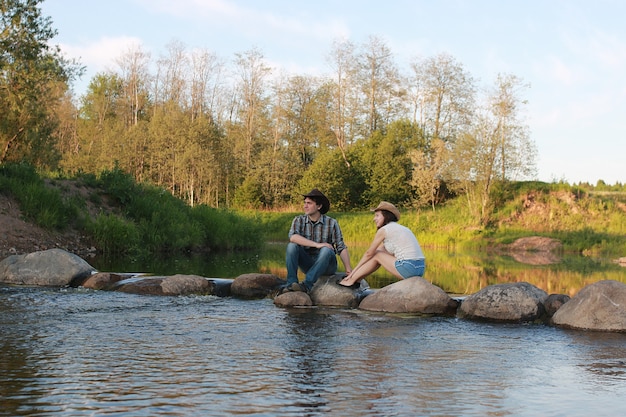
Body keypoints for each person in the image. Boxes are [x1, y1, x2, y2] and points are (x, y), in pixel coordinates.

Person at [338, 201, 425, 288]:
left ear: (386, 216)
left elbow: (369, 253)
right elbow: (378, 250)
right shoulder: (400, 228)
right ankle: (357, 279)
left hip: (409, 268)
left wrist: (352, 272)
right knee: (378, 252)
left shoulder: (384, 230)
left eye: (377, 215)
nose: (374, 219)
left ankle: (351, 281)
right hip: (420, 268)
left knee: (377, 255)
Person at [282, 188, 352, 293]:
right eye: (305, 203)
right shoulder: (298, 220)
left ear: (319, 206)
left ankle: (307, 285)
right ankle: (291, 284)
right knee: (292, 246)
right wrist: (316, 244)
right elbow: (293, 237)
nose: (305, 206)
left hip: (327, 265)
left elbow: (341, 247)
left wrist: (348, 270)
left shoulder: (331, 223)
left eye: (309, 203)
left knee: (326, 249)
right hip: (307, 263)